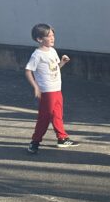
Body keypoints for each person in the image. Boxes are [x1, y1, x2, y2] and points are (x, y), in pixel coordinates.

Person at [24, 23, 78, 154]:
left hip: (57, 88)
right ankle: (35, 142)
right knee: (45, 117)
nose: (52, 38)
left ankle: (62, 138)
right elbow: (27, 70)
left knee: (57, 115)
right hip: (47, 91)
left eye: (53, 35)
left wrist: (62, 63)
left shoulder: (52, 51)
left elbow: (53, 69)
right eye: (49, 36)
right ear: (39, 39)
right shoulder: (37, 55)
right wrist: (36, 87)